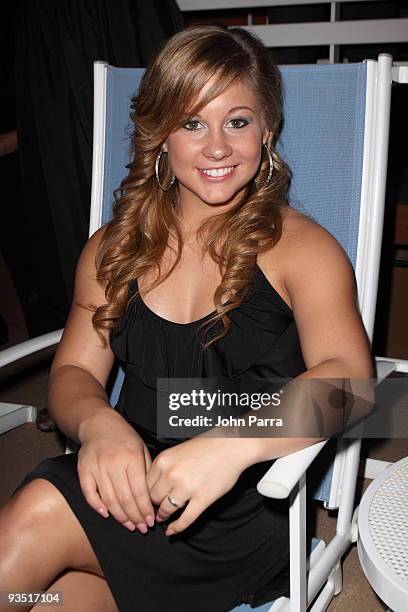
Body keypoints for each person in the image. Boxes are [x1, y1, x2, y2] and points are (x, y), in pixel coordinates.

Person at [0, 24, 373, 612]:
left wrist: (229, 443)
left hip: (238, 509)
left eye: (238, 121)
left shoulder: (302, 249)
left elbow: (352, 384)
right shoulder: (112, 249)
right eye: (192, 122)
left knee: (30, 525)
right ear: (160, 137)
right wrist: (98, 424)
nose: (217, 146)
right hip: (122, 485)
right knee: (40, 597)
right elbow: (72, 371)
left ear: (266, 130)